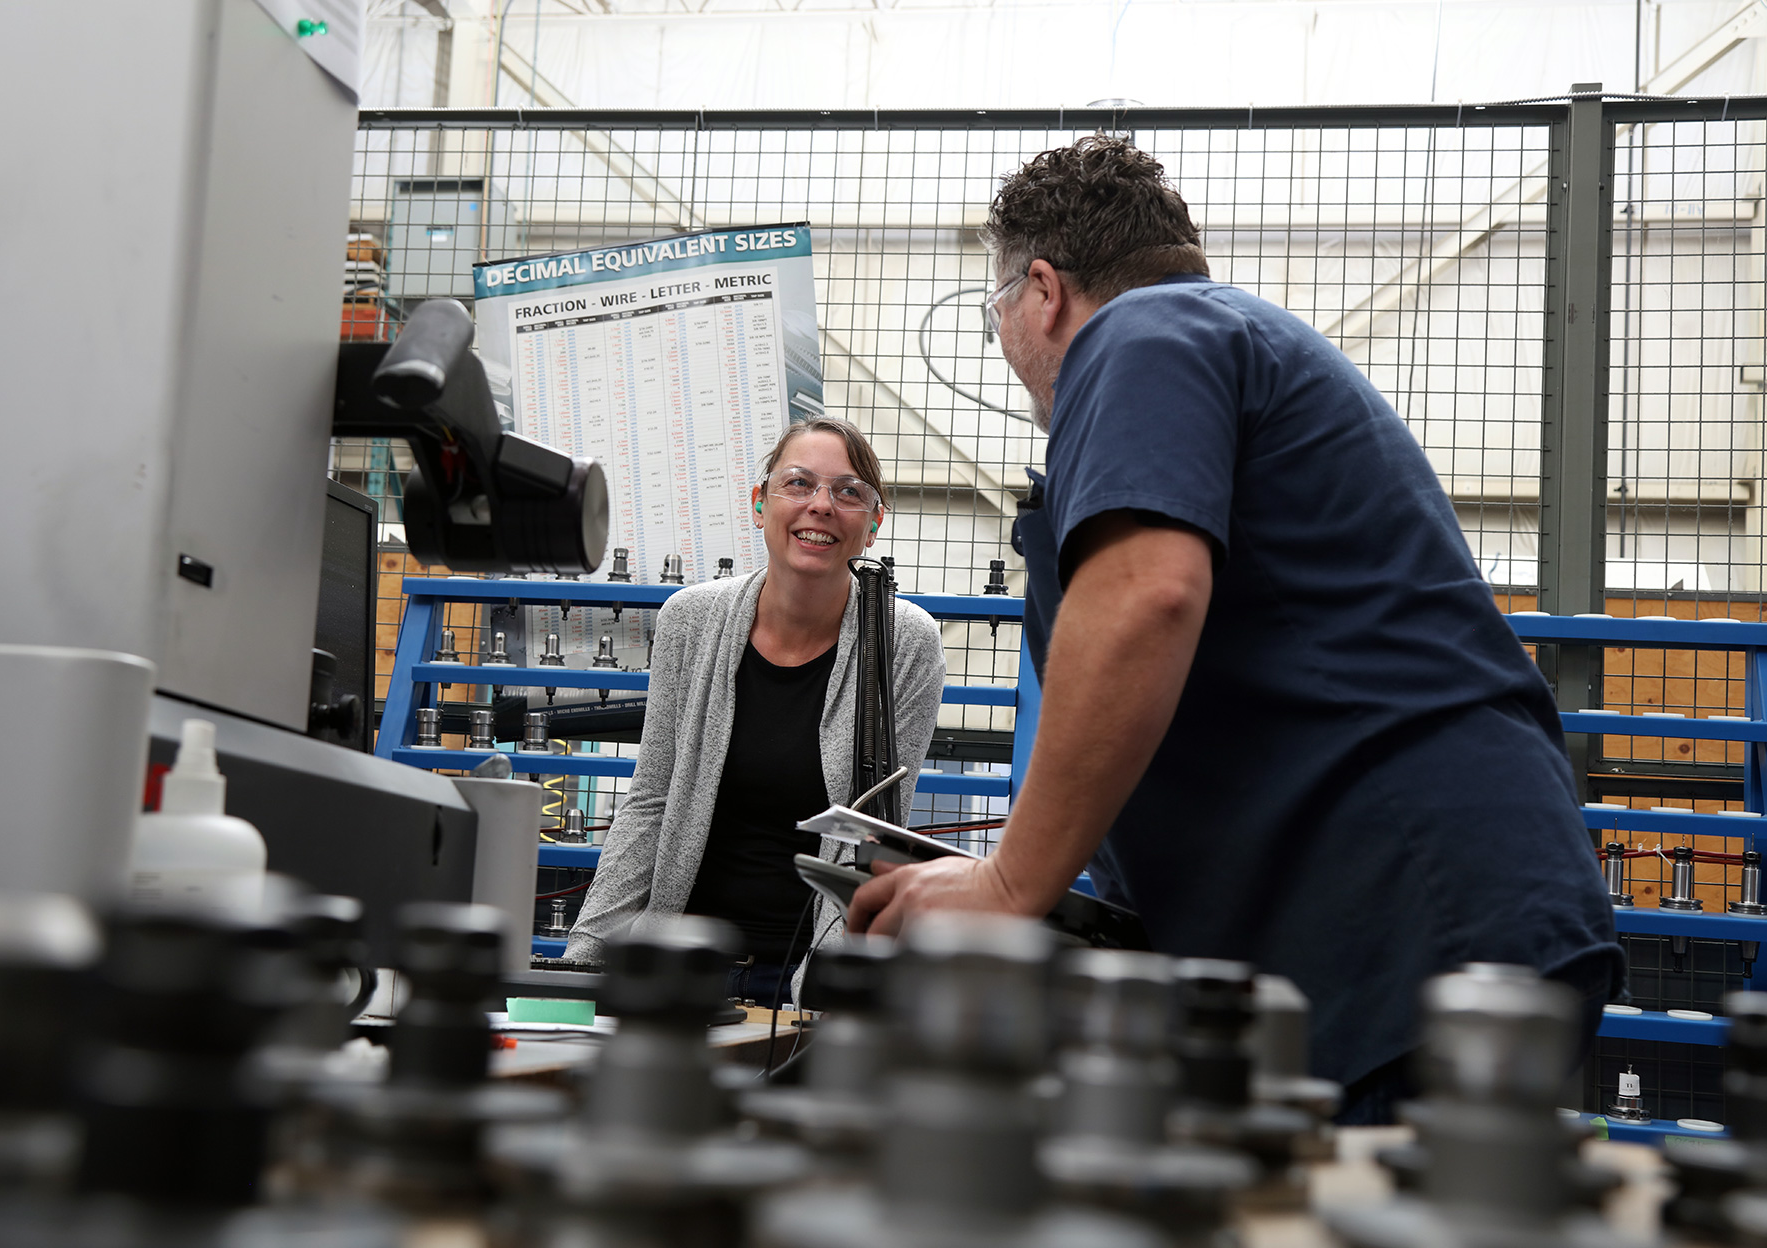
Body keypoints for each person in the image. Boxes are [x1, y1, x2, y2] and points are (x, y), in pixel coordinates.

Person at [846, 135, 1620, 1122]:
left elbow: (1144, 597)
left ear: (1041, 290)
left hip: (1413, 914)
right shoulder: (1218, 342)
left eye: (997, 311)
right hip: (1431, 917)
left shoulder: (1139, 336)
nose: (1006, 347)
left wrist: (1007, 884)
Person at [566, 417, 946, 1006]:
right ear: (759, 503)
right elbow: (650, 800)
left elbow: (877, 836)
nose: (821, 505)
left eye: (848, 492)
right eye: (798, 483)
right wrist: (584, 962)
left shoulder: (903, 641)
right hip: (679, 965)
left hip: (804, 977)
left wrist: (832, 991)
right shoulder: (689, 620)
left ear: (873, 526)